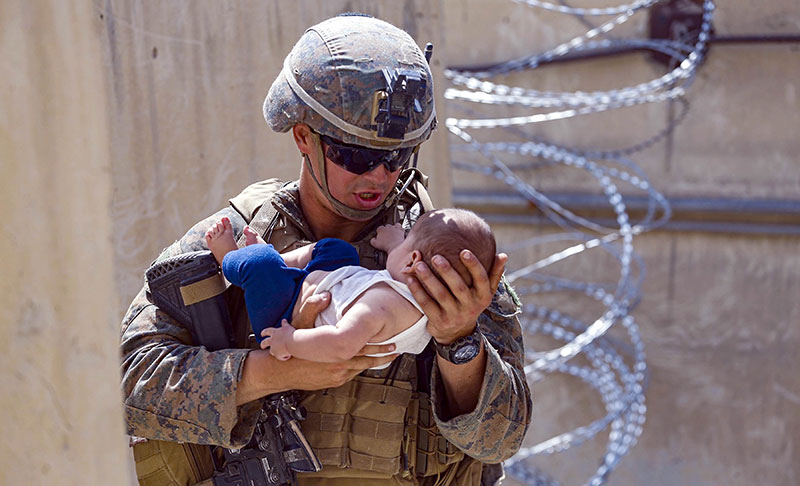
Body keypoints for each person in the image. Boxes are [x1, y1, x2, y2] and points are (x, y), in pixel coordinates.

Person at [120, 13, 531, 486]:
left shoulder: (443, 259)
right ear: (303, 137)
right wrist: (274, 372)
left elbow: (500, 441)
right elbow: (129, 385)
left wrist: (458, 341)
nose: (379, 175)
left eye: (395, 157)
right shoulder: (237, 239)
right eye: (357, 155)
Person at [204, 208, 496, 369]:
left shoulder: (379, 308)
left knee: (258, 265)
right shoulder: (423, 304)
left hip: (285, 318)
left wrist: (289, 341)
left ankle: (230, 257)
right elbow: (403, 270)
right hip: (329, 285)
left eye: (407, 240)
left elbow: (342, 344)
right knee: (338, 250)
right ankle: (277, 262)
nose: (402, 240)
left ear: (412, 261)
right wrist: (396, 244)